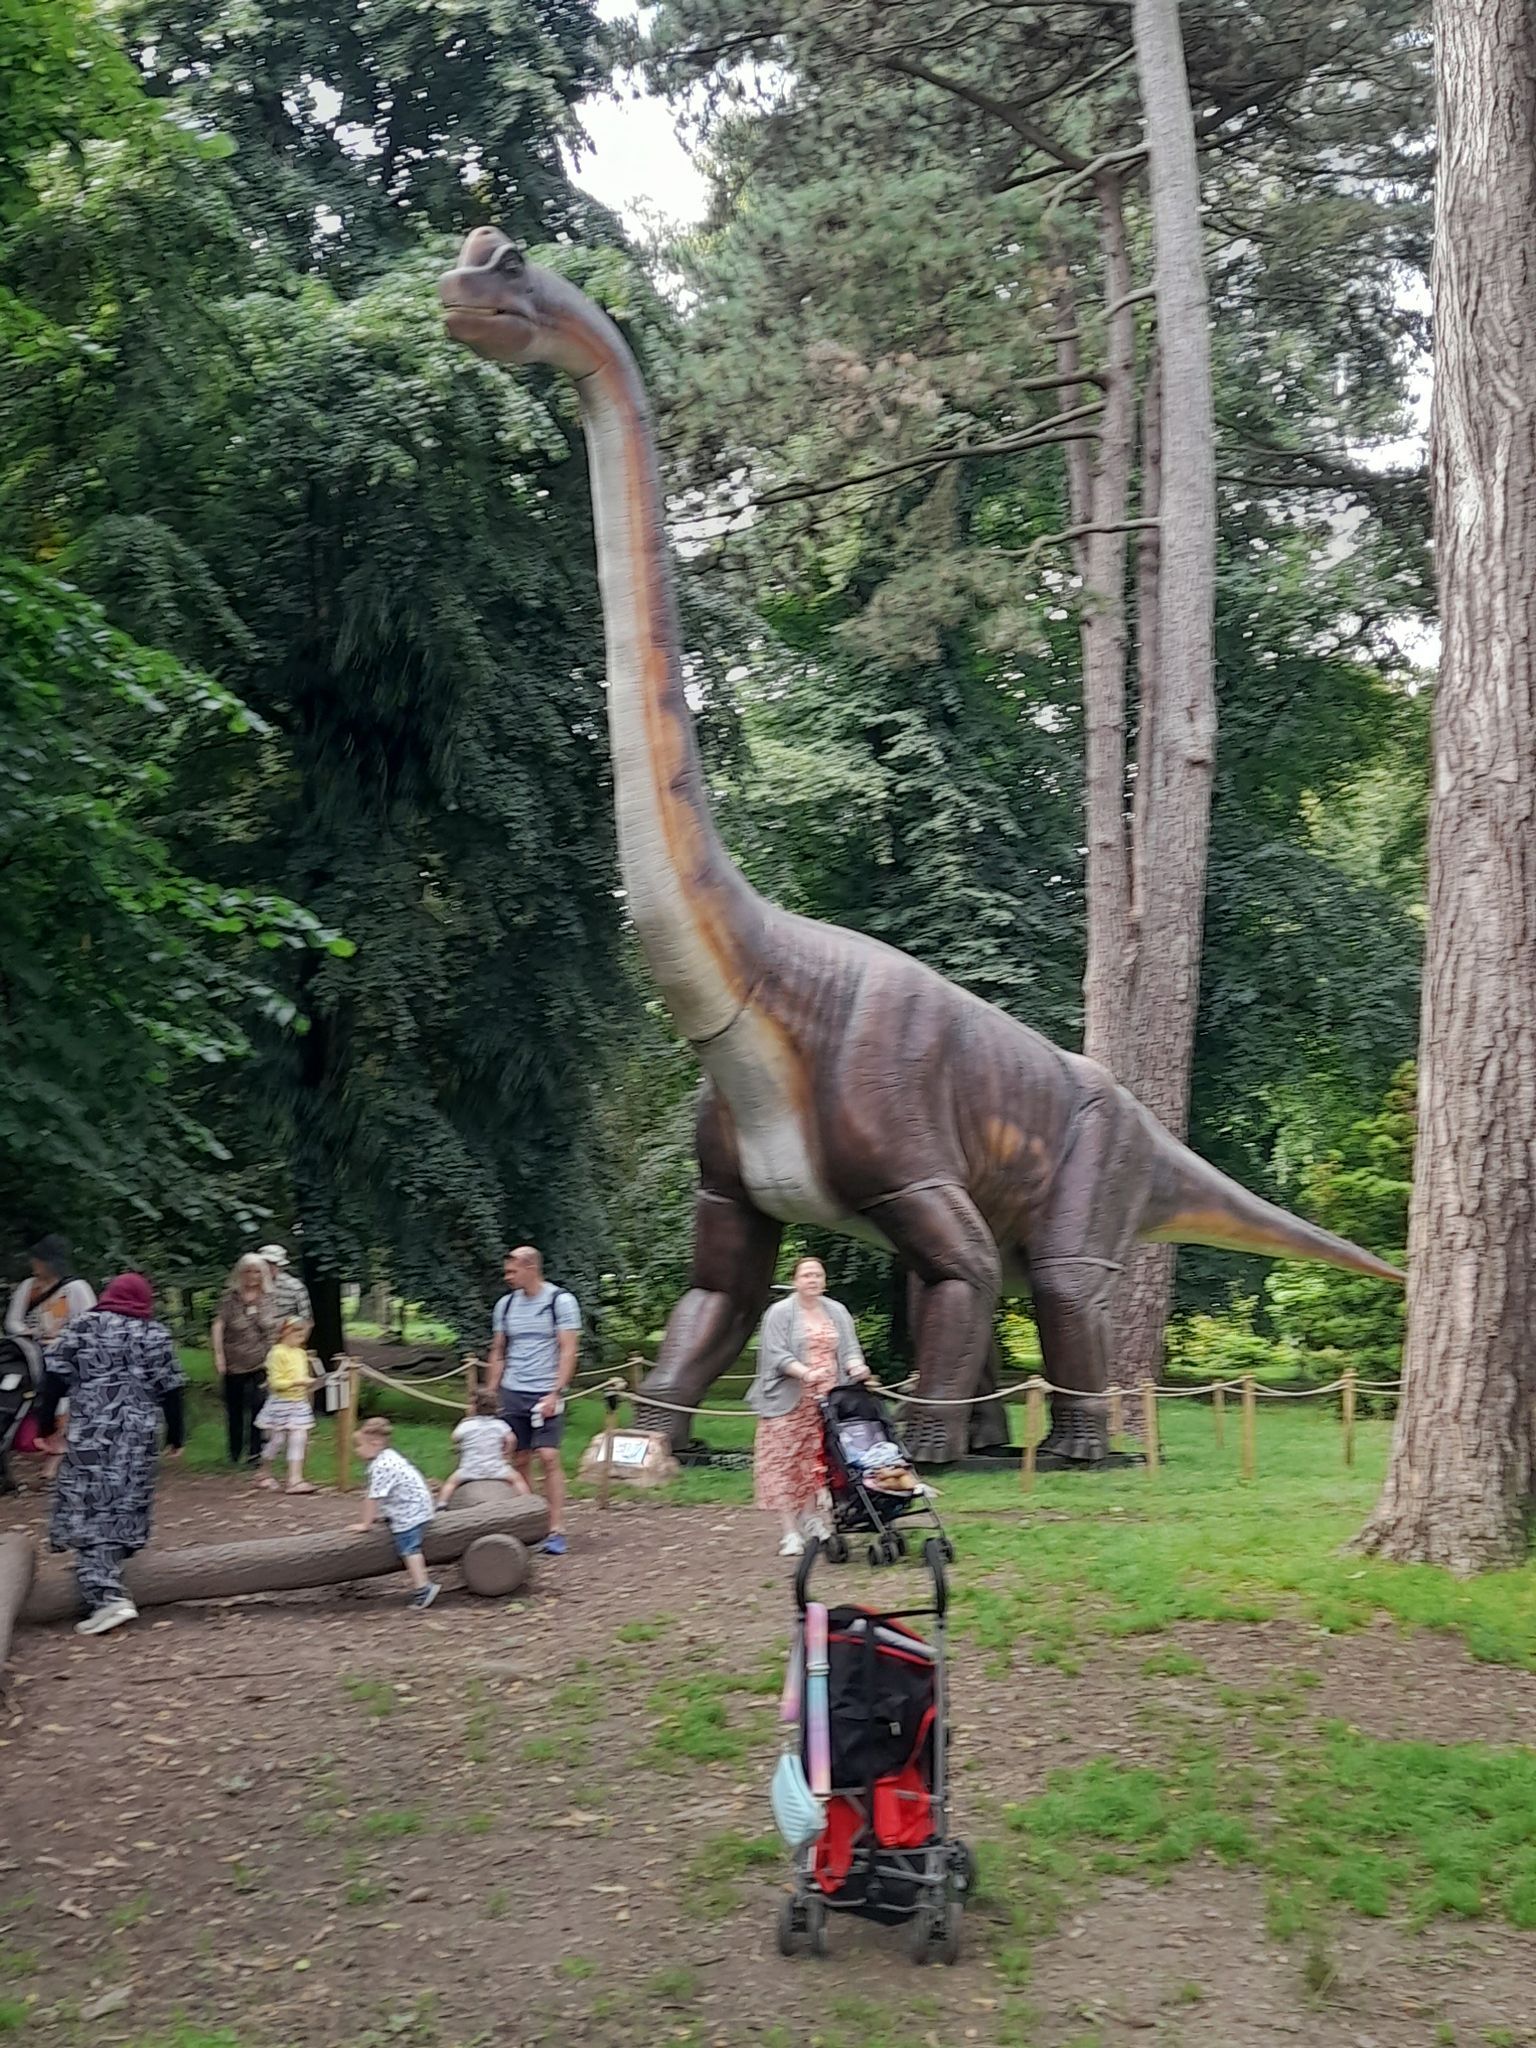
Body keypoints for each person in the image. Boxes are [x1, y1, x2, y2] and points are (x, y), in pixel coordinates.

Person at [46, 1272, 185, 1636]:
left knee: (91, 1507)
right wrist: (177, 1435)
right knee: (124, 1501)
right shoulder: (155, 1334)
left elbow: (54, 1377)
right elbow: (172, 1390)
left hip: (93, 1433)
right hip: (137, 1436)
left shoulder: (83, 1326)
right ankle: (110, 1576)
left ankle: (107, 1597)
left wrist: (45, 1424)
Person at [748, 1256, 870, 1557]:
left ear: (824, 1281)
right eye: (806, 1275)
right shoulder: (780, 1313)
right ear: (795, 1280)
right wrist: (805, 1373)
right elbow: (775, 1354)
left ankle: (813, 1517)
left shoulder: (837, 1311)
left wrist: (857, 1366)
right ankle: (790, 1532)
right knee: (786, 1463)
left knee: (817, 1463)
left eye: (817, 1275)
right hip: (789, 1398)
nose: (812, 1280)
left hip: (828, 1400)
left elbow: (849, 1348)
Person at [483, 1246, 580, 1557]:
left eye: (512, 1271)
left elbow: (568, 1350)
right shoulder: (506, 1305)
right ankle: (530, 1524)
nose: (507, 1277)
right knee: (519, 1458)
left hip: (545, 1390)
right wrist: (488, 1394)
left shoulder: (560, 1302)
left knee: (549, 1456)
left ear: (530, 1268)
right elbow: (498, 1350)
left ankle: (556, 1528)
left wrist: (555, 1391)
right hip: (513, 1390)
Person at [6, 1237, 97, 1465]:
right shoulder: (28, 1288)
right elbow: (12, 1321)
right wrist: (29, 1332)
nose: (33, 1265)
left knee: (63, 1399)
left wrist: (61, 1338)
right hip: (32, 1352)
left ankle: (53, 1462)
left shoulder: (76, 1288)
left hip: (67, 1353)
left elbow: (88, 1323)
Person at [349, 1418, 440, 1609]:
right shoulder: (387, 1457)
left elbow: (372, 1497)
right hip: (413, 1504)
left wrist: (365, 1524)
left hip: (411, 1510)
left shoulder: (383, 1466)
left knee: (408, 1547)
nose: (356, 1451)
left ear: (375, 1444)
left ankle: (423, 1587)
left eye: (359, 1446)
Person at [211, 1253, 276, 1469]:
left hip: (261, 1361)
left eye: (257, 1271)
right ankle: (234, 1452)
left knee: (259, 1407)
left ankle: (255, 1453)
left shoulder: (268, 1297)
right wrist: (219, 1355)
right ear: (240, 1273)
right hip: (233, 1362)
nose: (252, 1276)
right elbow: (218, 1325)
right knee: (235, 1409)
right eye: (248, 1271)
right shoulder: (230, 1298)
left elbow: (272, 1329)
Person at [254, 1317, 321, 1494]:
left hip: (298, 1402)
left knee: (300, 1438)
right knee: (277, 1440)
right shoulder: (276, 1353)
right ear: (286, 1332)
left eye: (303, 1335)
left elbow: (302, 1376)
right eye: (298, 1334)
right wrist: (297, 1382)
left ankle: (295, 1480)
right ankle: (263, 1473)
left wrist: (309, 1384)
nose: (301, 1339)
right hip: (280, 1403)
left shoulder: (300, 1353)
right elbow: (275, 1382)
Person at [437, 1388, 527, 1509]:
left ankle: (441, 1504)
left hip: (470, 1469)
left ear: (474, 1407)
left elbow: (454, 1437)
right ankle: (527, 1500)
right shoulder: (500, 1425)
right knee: (517, 1479)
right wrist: (507, 1453)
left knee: (451, 1483)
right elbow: (512, 1439)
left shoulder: (466, 1425)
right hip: (496, 1468)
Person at [256, 1244, 312, 1340]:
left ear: (281, 1265)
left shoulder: (295, 1287)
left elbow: (306, 1322)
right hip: (253, 1345)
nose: (269, 1267)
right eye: (266, 1263)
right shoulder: (250, 1285)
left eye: (274, 1263)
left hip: (283, 1343)